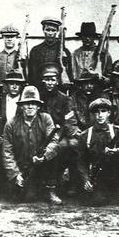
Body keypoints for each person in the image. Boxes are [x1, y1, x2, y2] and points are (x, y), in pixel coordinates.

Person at [2, 85, 62, 204]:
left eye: (33, 103)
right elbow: (7, 151)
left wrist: (44, 155)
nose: (30, 106)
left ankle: (50, 189)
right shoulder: (11, 124)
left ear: (38, 106)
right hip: (22, 167)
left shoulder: (46, 119)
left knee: (56, 153)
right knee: (25, 198)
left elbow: (54, 141)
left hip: (41, 164)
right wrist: (15, 175)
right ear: (21, 106)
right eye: (27, 103)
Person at [77, 98, 119, 208]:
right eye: (97, 112)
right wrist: (86, 180)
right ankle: (106, 192)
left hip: (115, 171)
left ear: (108, 113)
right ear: (93, 114)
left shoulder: (117, 131)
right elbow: (81, 161)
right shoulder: (85, 135)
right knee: (97, 201)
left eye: (103, 111)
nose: (100, 115)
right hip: (97, 174)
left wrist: (116, 151)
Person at [37, 62, 79, 195]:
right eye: (47, 80)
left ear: (57, 81)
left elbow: (69, 120)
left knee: (66, 146)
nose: (49, 83)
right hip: (40, 133)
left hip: (59, 133)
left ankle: (64, 183)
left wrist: (61, 135)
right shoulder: (38, 97)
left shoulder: (65, 99)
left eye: (52, 80)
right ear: (43, 80)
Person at [27, 16, 72, 87]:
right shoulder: (35, 50)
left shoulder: (64, 51)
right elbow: (32, 74)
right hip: (40, 88)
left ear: (57, 31)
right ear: (43, 30)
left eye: (53, 30)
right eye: (47, 30)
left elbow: (69, 73)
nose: (50, 33)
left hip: (58, 89)